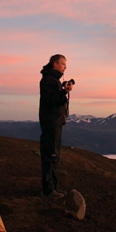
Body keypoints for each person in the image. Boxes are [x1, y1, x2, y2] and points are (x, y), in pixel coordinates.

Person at [39, 54, 74, 198]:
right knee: (50, 155)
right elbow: (50, 100)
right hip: (51, 123)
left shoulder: (53, 80)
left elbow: (53, 98)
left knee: (54, 155)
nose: (65, 67)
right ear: (55, 64)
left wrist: (62, 90)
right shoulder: (48, 80)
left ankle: (52, 187)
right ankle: (49, 190)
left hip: (55, 122)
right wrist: (64, 92)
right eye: (63, 64)